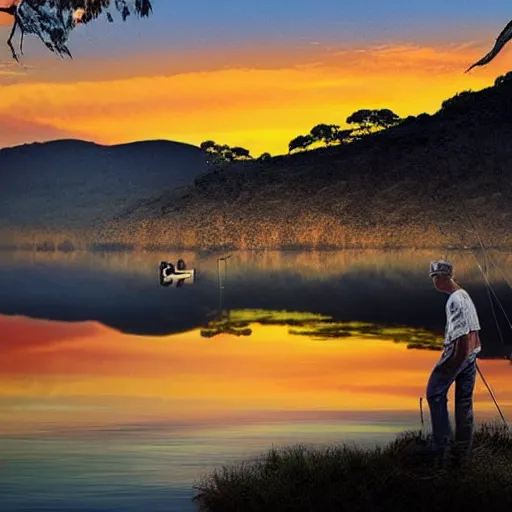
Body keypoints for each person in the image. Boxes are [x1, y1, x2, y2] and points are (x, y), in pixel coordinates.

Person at [424, 259, 481, 466]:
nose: (434, 282)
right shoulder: (464, 294)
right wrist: (472, 355)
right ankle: (463, 452)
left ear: (441, 277)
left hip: (459, 354)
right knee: (464, 403)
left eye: (434, 277)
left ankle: (441, 444)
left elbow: (462, 338)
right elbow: (475, 331)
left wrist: (453, 363)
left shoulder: (454, 301)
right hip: (472, 355)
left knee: (434, 392)